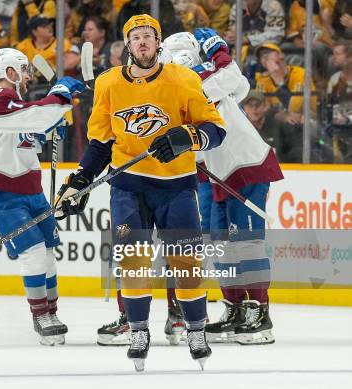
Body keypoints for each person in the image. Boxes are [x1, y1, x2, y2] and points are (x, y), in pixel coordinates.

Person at [55, 15, 226, 371]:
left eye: (148, 36)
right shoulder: (108, 84)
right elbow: (101, 140)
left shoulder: (183, 79)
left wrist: (186, 138)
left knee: (185, 261)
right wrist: (81, 178)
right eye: (136, 38)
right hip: (128, 187)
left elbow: (215, 129)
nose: (143, 42)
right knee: (132, 261)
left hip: (177, 187)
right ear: (127, 45)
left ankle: (196, 328)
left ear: (158, 42)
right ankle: (138, 330)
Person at [163, 29, 284, 345]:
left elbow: (232, 76)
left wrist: (218, 49)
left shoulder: (196, 80)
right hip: (214, 172)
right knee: (221, 246)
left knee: (246, 243)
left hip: (244, 167)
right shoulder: (179, 87)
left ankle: (259, 312)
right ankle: (234, 308)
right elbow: (240, 84)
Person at [0, 47, 84, 345]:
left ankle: (52, 311)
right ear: (8, 72)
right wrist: (58, 98)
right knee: (33, 251)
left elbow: (30, 127)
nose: (27, 74)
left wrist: (51, 126)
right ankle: (40, 315)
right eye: (22, 69)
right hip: (1, 190)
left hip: (30, 189)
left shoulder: (16, 104)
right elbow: (32, 115)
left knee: (47, 252)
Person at [15, 16, 80, 73]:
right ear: (34, 31)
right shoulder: (24, 46)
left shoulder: (62, 43)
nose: (49, 27)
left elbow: (72, 62)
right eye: (44, 26)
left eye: (49, 24)